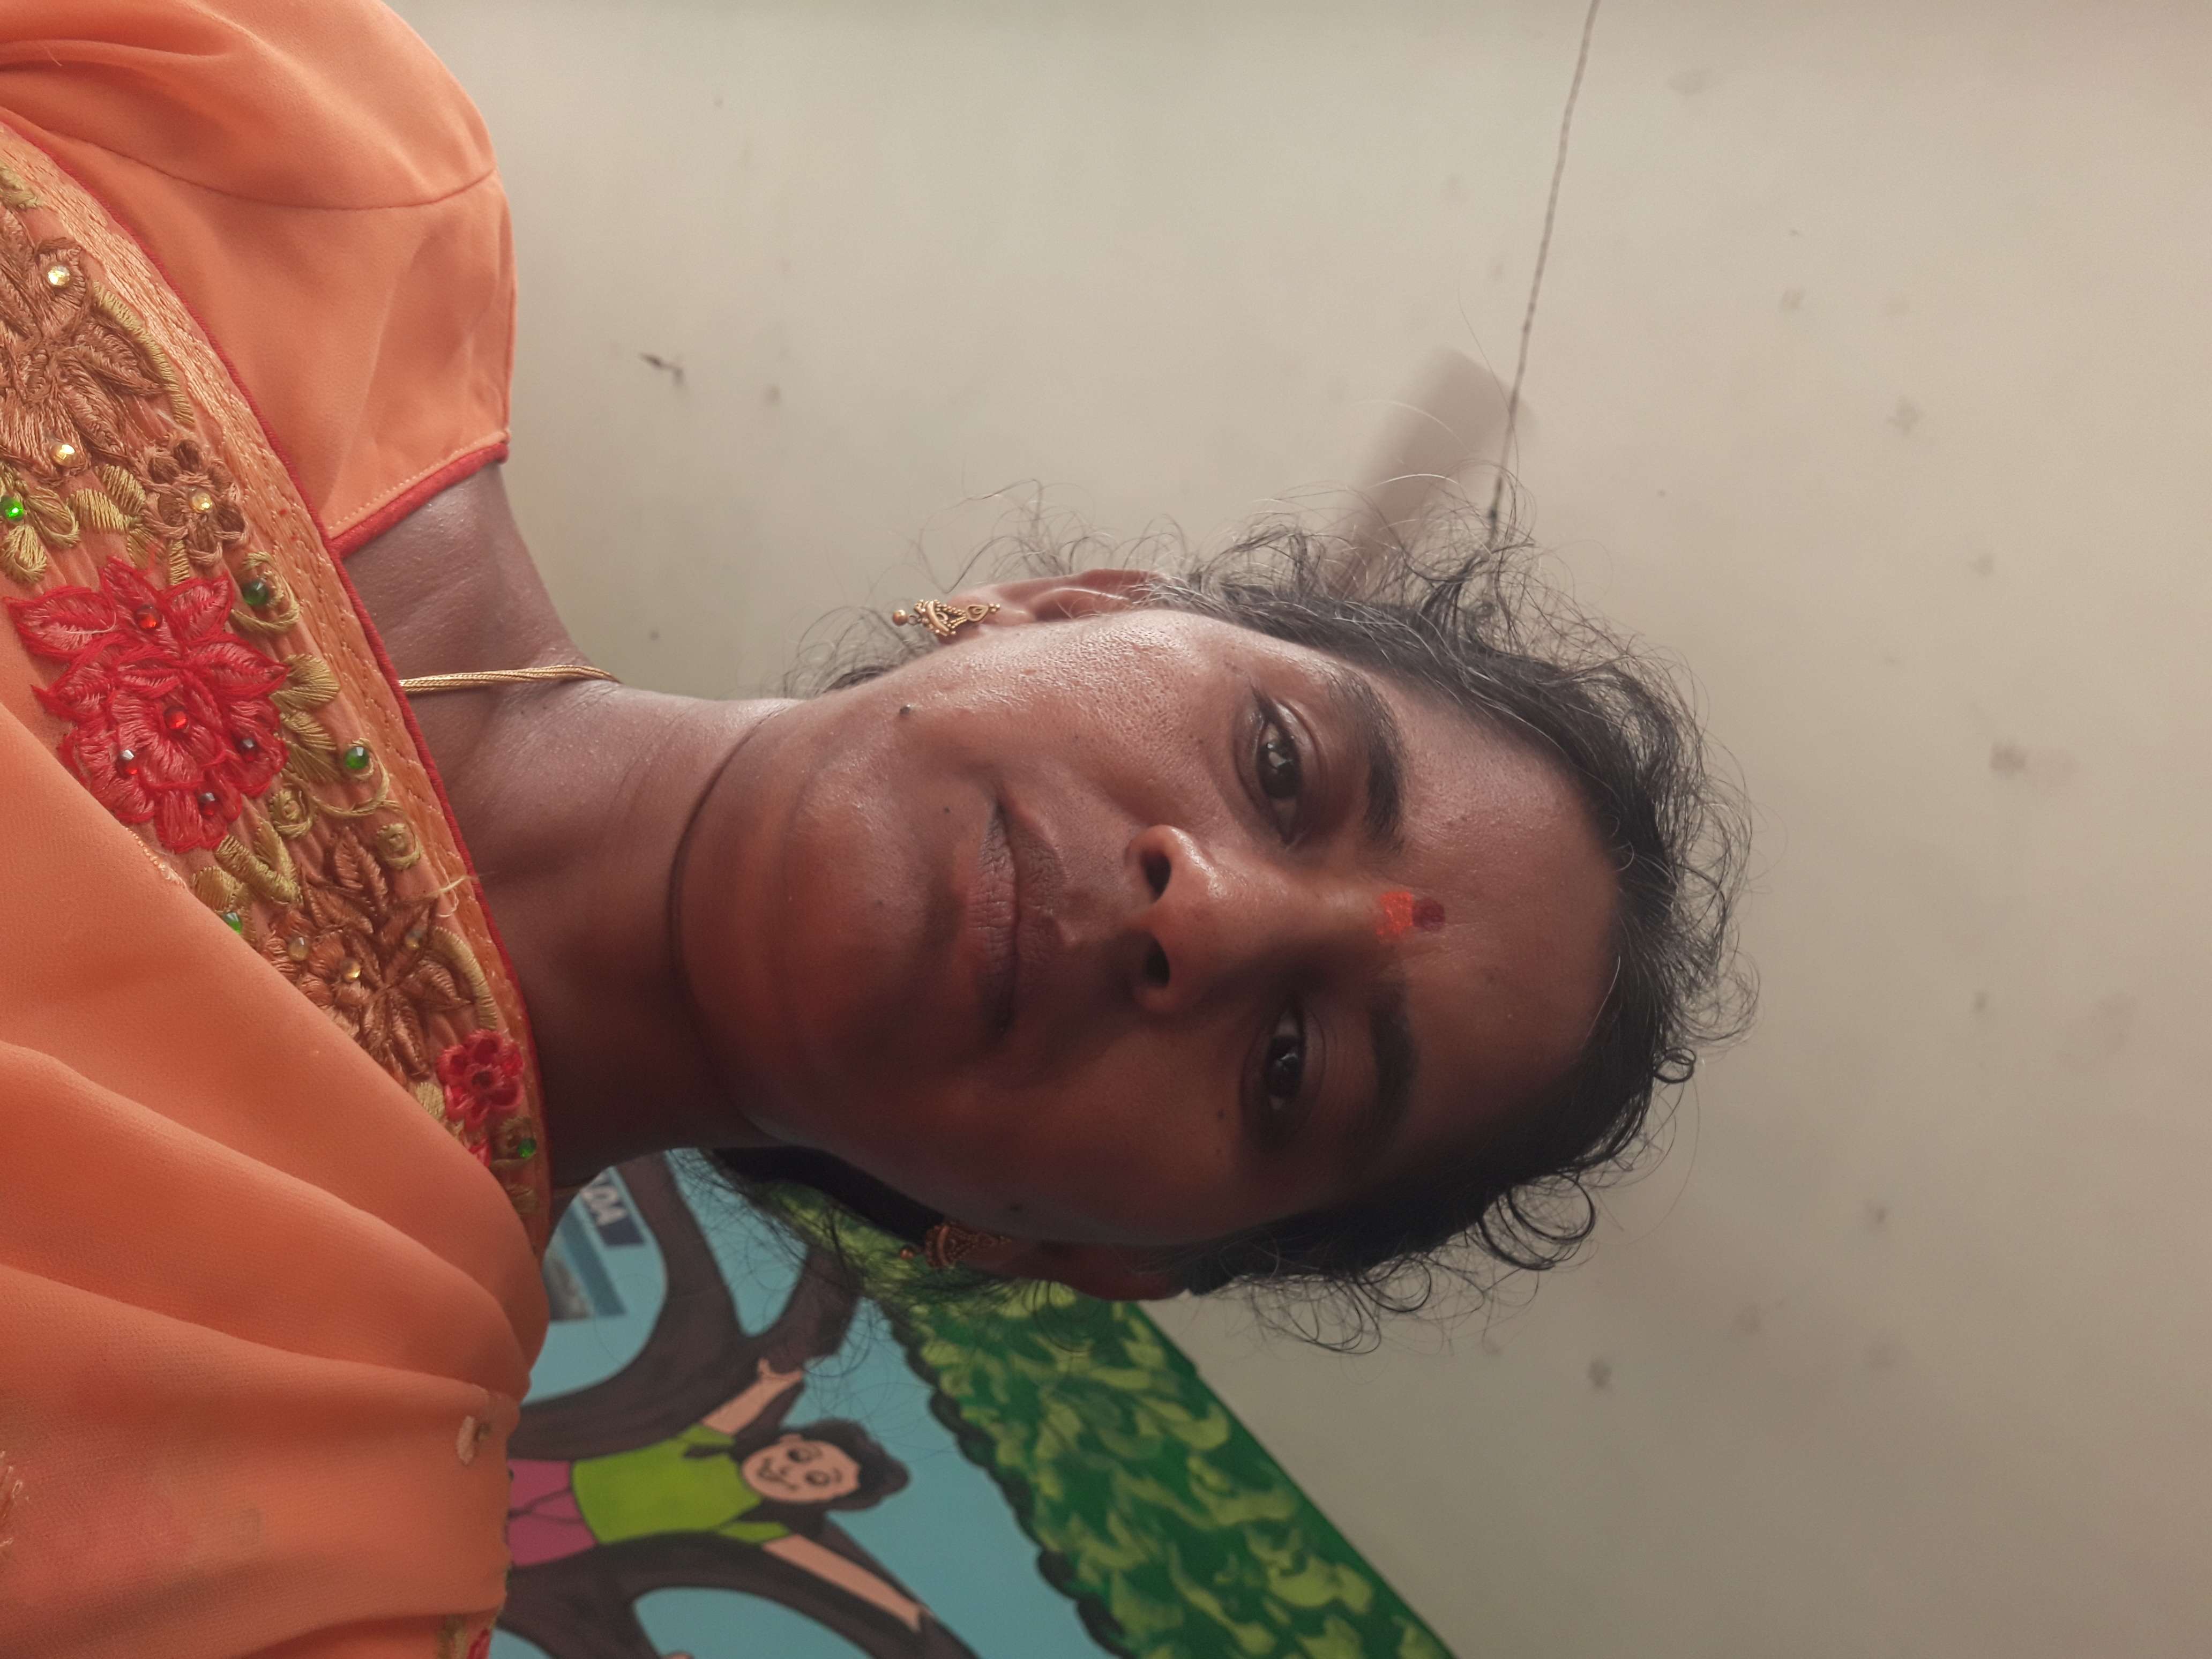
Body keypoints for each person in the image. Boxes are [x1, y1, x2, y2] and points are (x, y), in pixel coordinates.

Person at [0, 2, 1745, 1653]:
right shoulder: (310, 155)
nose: (1201, 914)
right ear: (1068, 604)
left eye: (1292, 1067)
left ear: (1091, 1260)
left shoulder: (308, 1563)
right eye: (1282, 764)